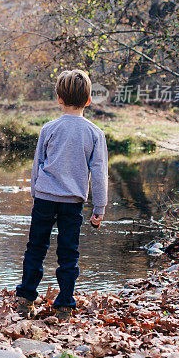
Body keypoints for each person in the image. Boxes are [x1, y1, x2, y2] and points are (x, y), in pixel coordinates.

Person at [15, 70, 108, 321]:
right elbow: (99, 173)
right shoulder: (95, 133)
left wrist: (36, 193)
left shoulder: (49, 128)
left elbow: (38, 165)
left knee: (35, 248)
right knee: (68, 253)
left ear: (58, 98)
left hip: (45, 197)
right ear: (88, 100)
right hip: (73, 202)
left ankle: (25, 298)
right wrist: (99, 207)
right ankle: (65, 304)